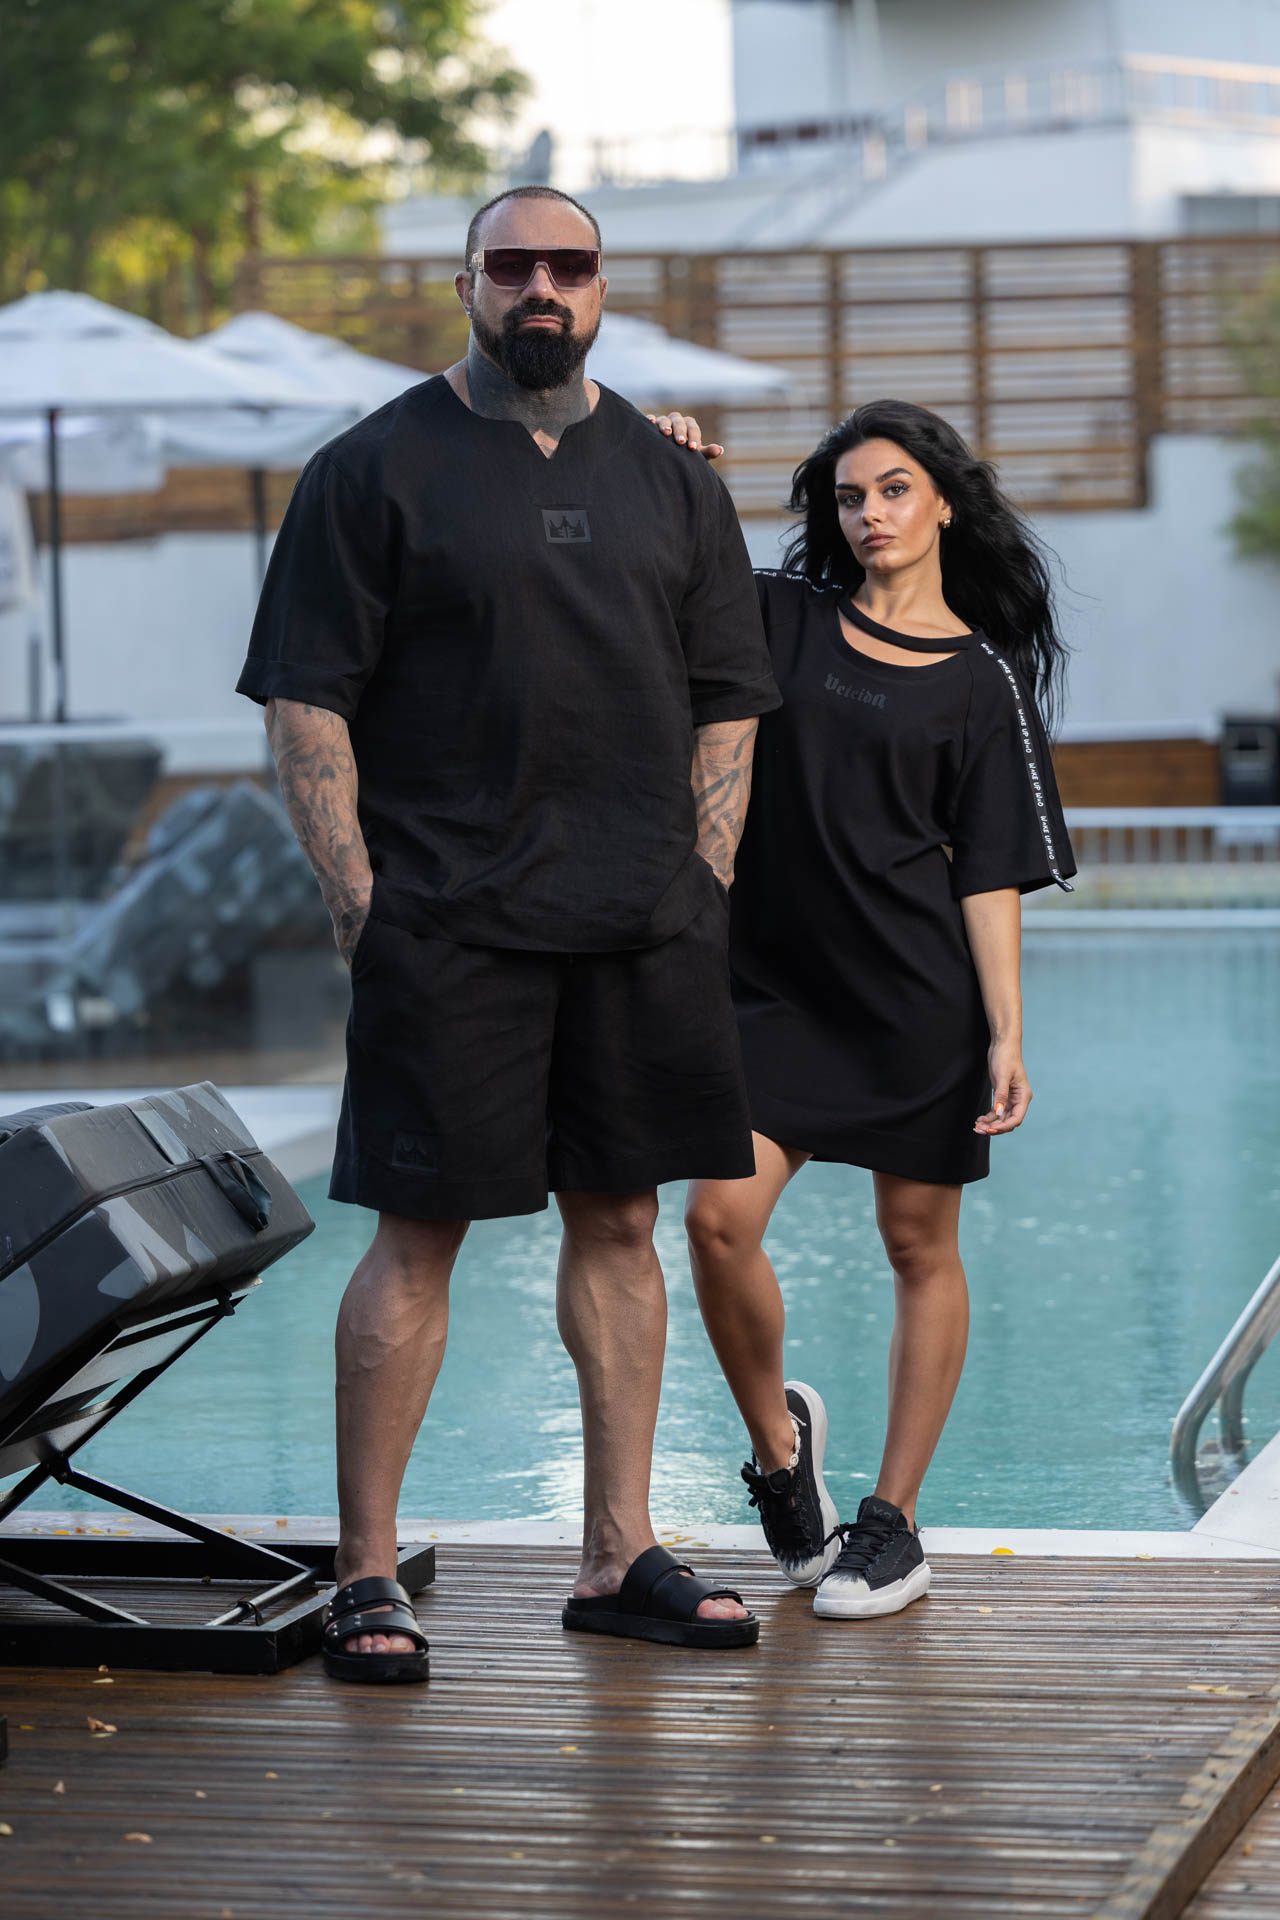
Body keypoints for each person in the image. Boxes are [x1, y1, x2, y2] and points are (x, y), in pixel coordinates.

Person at [237, 186, 781, 1680]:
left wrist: (703, 878)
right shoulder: (369, 469)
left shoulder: (676, 481)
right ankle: (364, 1575)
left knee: (621, 1224)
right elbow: (307, 701)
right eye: (513, 264)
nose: (542, 285)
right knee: (418, 1236)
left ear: (603, 285)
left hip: (642, 924)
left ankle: (616, 1554)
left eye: (570, 264)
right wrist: (365, 912)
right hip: (447, 925)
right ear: (466, 281)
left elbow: (728, 698)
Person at [657, 398, 1075, 1619]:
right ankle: (779, 1456)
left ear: (942, 501)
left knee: (916, 1248)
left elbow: (986, 873)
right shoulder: (780, 615)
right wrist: (672, 473)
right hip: (768, 991)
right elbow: (669, 582)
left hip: (912, 1003)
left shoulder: (982, 682)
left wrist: (1005, 1034)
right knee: (715, 1222)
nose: (869, 514)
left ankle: (890, 1525)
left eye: (893, 490)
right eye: (848, 497)